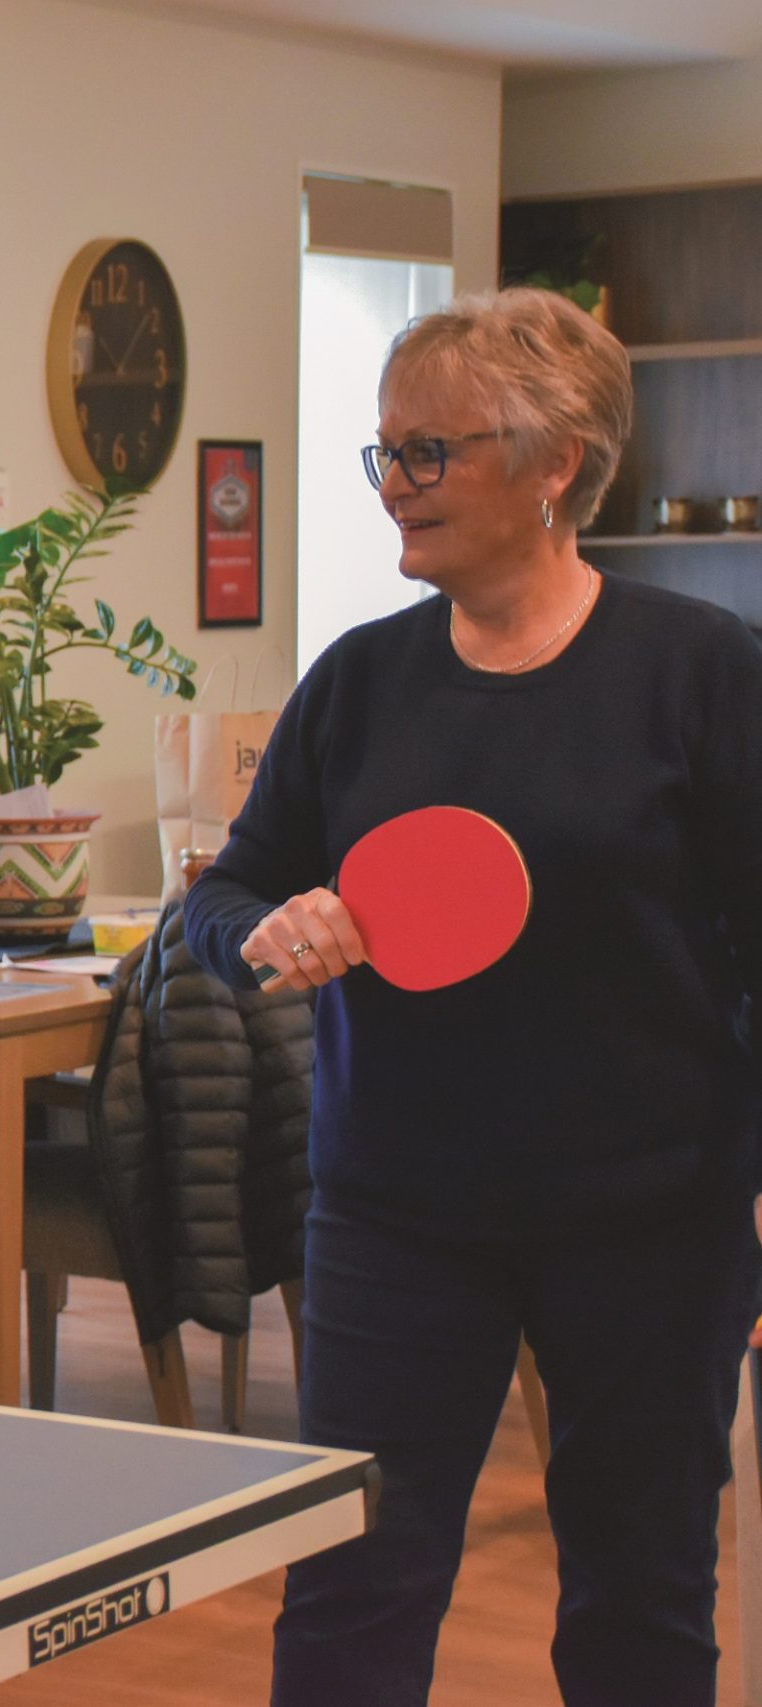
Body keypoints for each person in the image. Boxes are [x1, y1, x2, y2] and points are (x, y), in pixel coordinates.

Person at [185, 287, 762, 1707]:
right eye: (383, 452)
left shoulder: (698, 673)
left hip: (651, 1218)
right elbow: (218, 901)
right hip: (396, 1217)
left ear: (557, 461)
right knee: (351, 1595)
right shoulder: (356, 684)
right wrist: (272, 929)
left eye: (429, 453)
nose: (396, 484)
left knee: (640, 1596)